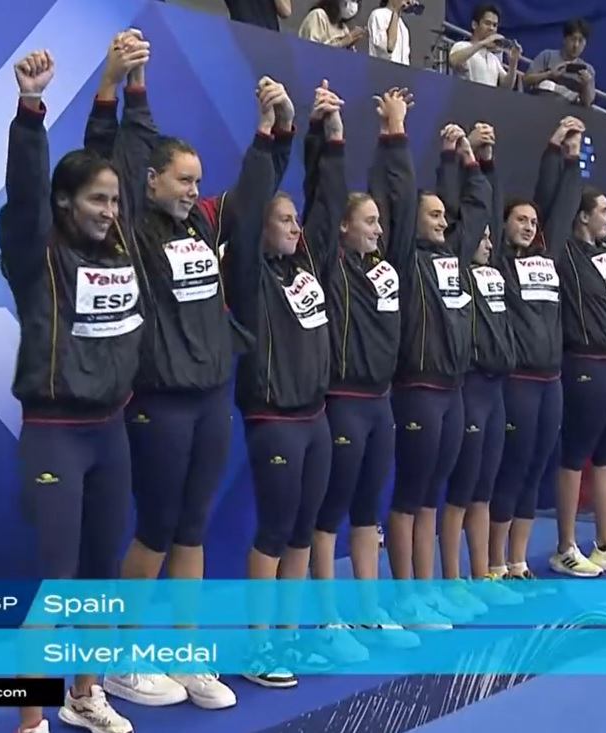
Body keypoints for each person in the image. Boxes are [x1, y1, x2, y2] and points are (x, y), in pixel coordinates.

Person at [98, 31, 287, 710]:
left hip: (211, 400)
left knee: (192, 529)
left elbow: (250, 196)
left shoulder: (201, 230)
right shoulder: (133, 234)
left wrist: (268, 131)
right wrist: (123, 85)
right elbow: (124, 149)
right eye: (183, 180)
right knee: (154, 527)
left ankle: (184, 655)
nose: (193, 191)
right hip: (161, 404)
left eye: (198, 182)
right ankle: (116, 662)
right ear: (150, 182)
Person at [3, 48, 140, 733]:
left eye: (115, 200)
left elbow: (103, 155)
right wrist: (32, 109)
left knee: (100, 577)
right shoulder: (36, 252)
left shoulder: (116, 245)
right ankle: (32, 721)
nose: (110, 210)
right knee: (58, 584)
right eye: (97, 199)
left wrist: (112, 89)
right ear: (66, 203)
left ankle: (84, 693)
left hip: (110, 431)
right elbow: (27, 192)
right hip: (56, 431)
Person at [220, 78, 340, 690]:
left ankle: (289, 640)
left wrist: (327, 134)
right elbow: (246, 204)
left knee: (302, 528)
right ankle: (257, 646)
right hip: (274, 418)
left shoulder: (306, 264)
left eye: (295, 220)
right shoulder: (247, 274)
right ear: (261, 228)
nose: (295, 228)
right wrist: (271, 130)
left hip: (316, 418)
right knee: (273, 529)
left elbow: (326, 205)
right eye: (283, 219)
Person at [302, 83, 420, 654]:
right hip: (343, 401)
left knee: (369, 510)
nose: (377, 226)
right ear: (344, 229)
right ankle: (327, 620)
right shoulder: (330, 266)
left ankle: (369, 610)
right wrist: (334, 135)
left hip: (382, 403)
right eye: (367, 220)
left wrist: (394, 135)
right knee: (331, 512)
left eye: (378, 220)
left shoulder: (387, 270)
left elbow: (400, 198)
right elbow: (322, 201)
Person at [382, 102, 492, 625]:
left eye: (442, 217)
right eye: (433, 216)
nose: (442, 222)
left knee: (432, 496)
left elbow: (476, 207)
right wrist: (399, 135)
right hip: (418, 388)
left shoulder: (452, 256)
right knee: (409, 496)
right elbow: (403, 198)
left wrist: (466, 159)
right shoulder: (404, 258)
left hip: (452, 390)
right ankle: (404, 596)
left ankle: (427, 591)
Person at [542, 119, 606, 575]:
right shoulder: (565, 250)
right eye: (600, 210)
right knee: (575, 454)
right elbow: (555, 204)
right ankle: (566, 545)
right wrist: (564, 156)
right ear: (582, 216)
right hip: (586, 363)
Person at [436, 122, 518, 604]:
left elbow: (484, 209)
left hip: (495, 389)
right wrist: (461, 159)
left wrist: (485, 159)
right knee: (461, 488)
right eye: (482, 237)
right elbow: (458, 216)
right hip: (466, 385)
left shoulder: (496, 269)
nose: (487, 241)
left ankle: (482, 571)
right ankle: (451, 578)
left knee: (484, 485)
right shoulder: (457, 265)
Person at [484, 138, 563, 591]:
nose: (530, 227)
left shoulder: (546, 263)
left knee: (535, 469)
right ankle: (494, 562)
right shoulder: (499, 265)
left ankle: (517, 560)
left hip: (551, 381)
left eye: (534, 222)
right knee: (511, 469)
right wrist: (553, 152)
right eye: (521, 220)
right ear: (504, 224)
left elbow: (559, 205)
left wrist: (565, 160)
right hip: (517, 383)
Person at [447, 3, 522, 88]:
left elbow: (507, 86)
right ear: (474, 25)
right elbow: (453, 61)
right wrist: (483, 43)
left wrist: (513, 64)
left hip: (487, 100)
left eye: (494, 25)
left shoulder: (493, 59)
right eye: (487, 23)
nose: (491, 28)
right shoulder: (462, 45)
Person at [297, 0, 366, 48]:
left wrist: (349, 46)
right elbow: (311, 51)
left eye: (356, 1)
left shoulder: (344, 29)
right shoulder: (318, 15)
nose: (353, 5)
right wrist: (342, 43)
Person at [368, 0, 413, 66]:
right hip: (381, 71)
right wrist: (395, 12)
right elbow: (389, 46)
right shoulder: (378, 15)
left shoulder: (404, 27)